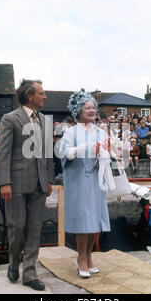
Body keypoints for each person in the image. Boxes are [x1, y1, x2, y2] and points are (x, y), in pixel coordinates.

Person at [0, 79, 54, 291]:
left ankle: (29, 273)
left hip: (39, 184)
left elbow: (48, 154)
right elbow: (2, 153)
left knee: (35, 229)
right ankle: (13, 263)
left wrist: (49, 179)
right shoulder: (10, 119)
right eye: (41, 93)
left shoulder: (46, 121)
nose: (45, 97)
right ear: (30, 96)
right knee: (17, 227)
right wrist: (4, 183)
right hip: (16, 183)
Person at [59, 89, 110, 279]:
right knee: (83, 219)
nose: (91, 110)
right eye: (87, 107)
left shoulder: (100, 131)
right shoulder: (70, 132)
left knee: (94, 219)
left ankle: (89, 256)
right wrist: (82, 148)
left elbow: (108, 152)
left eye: (93, 107)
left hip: (97, 178)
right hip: (79, 178)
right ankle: (80, 258)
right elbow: (64, 154)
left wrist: (108, 152)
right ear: (78, 110)